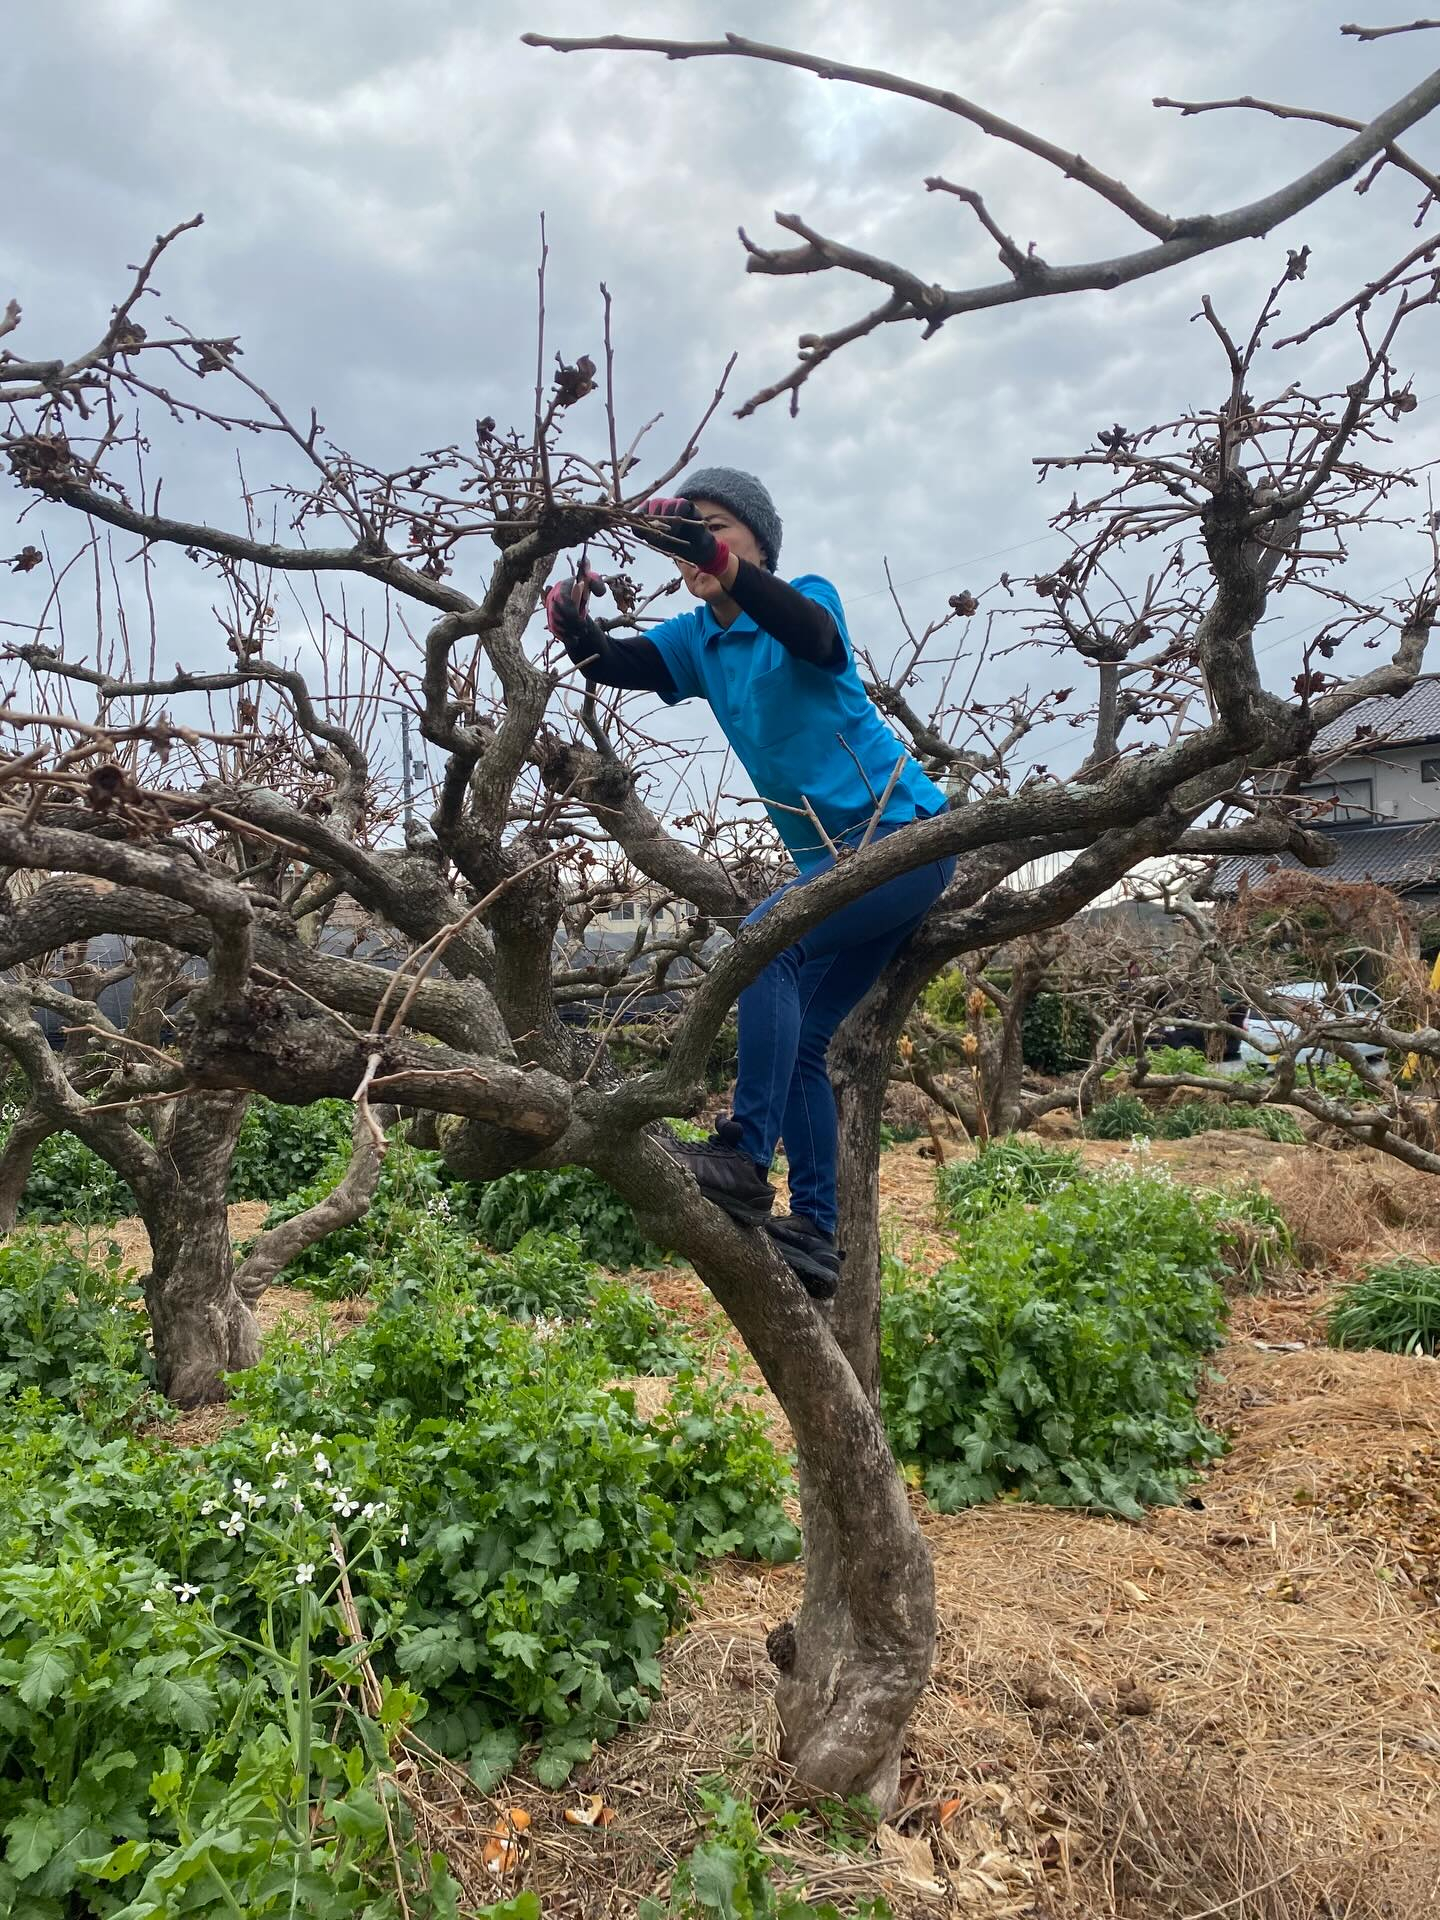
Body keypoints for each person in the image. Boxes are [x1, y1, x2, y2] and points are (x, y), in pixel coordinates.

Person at [546, 468, 954, 1299]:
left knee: (765, 946)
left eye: (714, 526)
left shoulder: (806, 599)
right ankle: (817, 1234)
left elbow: (812, 635)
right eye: (682, 536)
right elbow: (613, 663)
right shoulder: (699, 638)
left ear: (757, 543)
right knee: (803, 1039)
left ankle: (741, 1154)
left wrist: (720, 562)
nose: (693, 546)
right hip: (834, 868)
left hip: (903, 839)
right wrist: (572, 624)